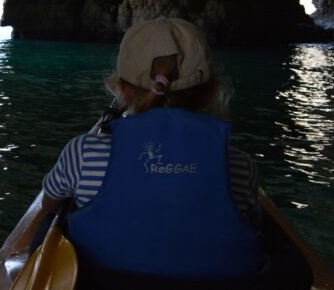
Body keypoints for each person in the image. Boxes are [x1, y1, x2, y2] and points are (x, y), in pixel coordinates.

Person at [32, 18, 275, 288]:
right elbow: (250, 220)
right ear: (212, 92)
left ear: (121, 89)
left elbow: (50, 205)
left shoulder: (82, 152)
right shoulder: (241, 165)